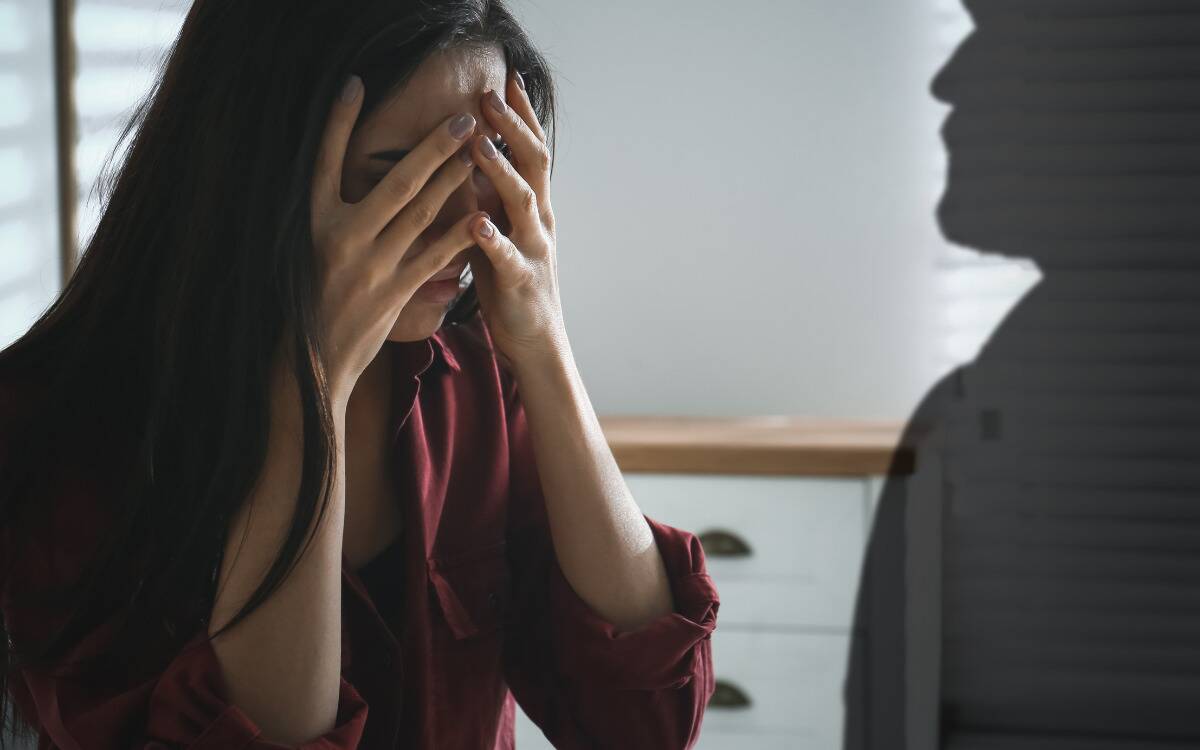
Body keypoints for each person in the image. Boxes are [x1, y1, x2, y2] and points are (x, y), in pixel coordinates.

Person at [0, 2, 719, 747]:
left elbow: (646, 723)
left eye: (487, 165)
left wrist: (544, 342)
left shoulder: (473, 381)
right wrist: (308, 389)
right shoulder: (57, 426)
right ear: (257, 169)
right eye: (400, 177)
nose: (465, 224)